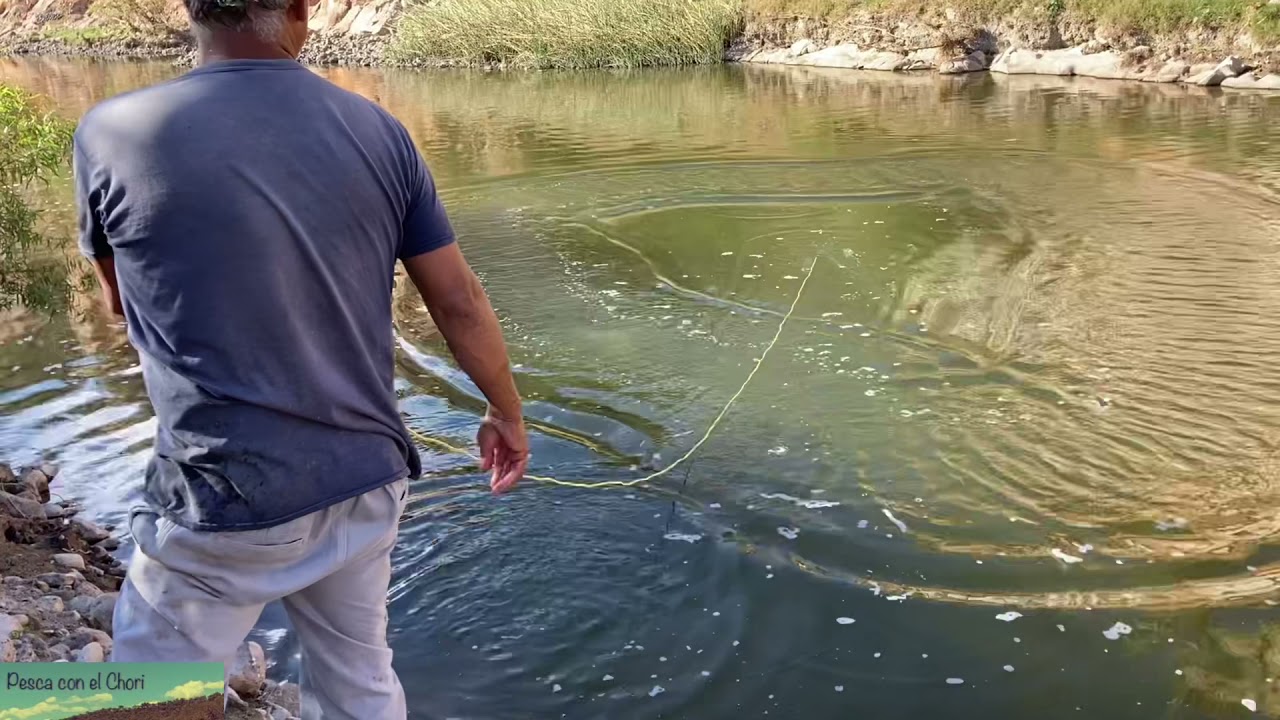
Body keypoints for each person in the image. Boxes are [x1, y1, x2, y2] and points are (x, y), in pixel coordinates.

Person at [72, 0, 529, 715]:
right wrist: (506, 410)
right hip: (365, 477)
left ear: (192, 9)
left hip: (220, 495)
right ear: (300, 12)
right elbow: (460, 301)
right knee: (361, 680)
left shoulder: (110, 131)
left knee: (139, 695)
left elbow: (121, 304)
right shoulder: (381, 131)